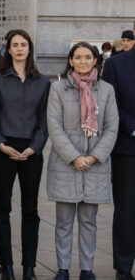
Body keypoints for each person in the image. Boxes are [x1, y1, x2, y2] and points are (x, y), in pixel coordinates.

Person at [46, 42, 118, 280]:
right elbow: (54, 126)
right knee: (64, 222)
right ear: (71, 60)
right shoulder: (57, 88)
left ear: (96, 60)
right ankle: (63, 268)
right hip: (66, 163)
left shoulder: (106, 90)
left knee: (89, 221)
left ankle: (87, 269)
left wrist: (93, 157)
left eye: (89, 57)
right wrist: (75, 157)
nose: (84, 62)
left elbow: (111, 127)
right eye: (79, 57)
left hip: (95, 164)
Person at [0, 30, 50, 280]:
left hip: (31, 150)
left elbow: (44, 120)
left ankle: (29, 267)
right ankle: (6, 266)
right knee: (2, 208)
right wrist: (0, 144)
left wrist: (34, 147)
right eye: (14, 45)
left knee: (30, 210)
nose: (19, 49)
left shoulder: (43, 81)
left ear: (30, 48)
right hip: (3, 148)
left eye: (23, 44)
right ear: (8, 49)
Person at [102, 37, 135, 280]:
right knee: (127, 210)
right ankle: (123, 268)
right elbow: (110, 104)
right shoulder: (115, 64)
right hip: (128, 148)